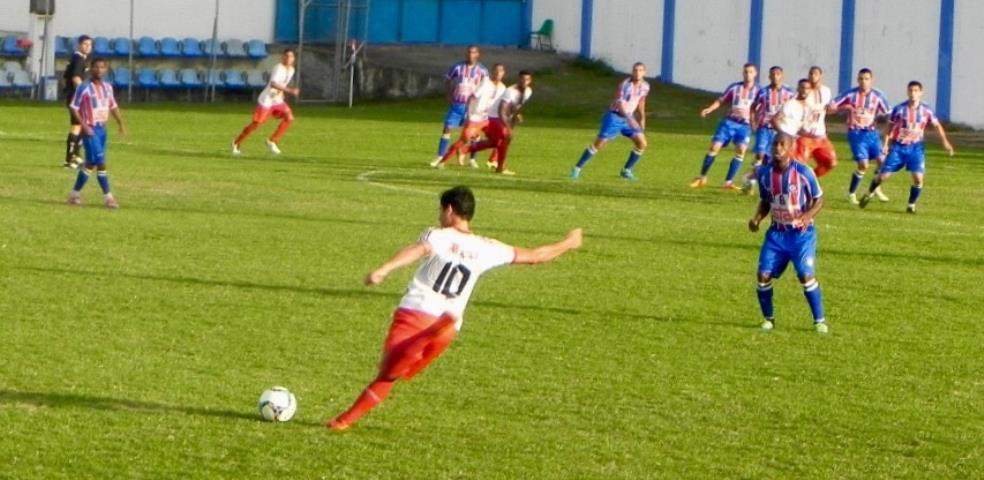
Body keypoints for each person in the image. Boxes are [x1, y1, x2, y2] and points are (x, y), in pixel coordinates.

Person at [328, 186, 583, 431]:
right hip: (449, 329)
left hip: (417, 313)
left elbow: (418, 249)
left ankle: (423, 338)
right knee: (396, 375)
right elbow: (536, 256)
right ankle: (342, 422)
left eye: (440, 211)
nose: (439, 216)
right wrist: (568, 243)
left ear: (449, 210)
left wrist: (384, 269)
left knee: (388, 369)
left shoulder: (438, 235)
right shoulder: (487, 247)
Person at [749, 133, 827, 333]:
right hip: (776, 233)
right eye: (775, 144)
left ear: (791, 148)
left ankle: (819, 321)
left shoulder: (804, 172)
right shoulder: (764, 174)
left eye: (783, 144)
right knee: (763, 275)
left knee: (805, 276)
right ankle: (768, 319)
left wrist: (808, 215)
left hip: (801, 234)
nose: (778, 148)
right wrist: (757, 218)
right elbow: (766, 201)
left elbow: (819, 199)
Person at [859, 81, 955, 214]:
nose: (913, 93)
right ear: (907, 92)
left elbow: (937, 125)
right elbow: (889, 127)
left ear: (921, 93)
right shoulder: (899, 109)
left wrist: (945, 142)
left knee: (918, 178)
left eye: (916, 91)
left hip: (916, 148)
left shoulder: (926, 110)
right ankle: (869, 193)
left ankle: (911, 205)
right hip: (898, 148)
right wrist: (886, 144)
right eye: (911, 90)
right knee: (883, 176)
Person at [570, 62, 650, 181]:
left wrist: (642, 117)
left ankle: (626, 170)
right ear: (632, 72)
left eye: (640, 70)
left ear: (644, 72)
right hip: (615, 116)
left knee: (642, 143)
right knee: (599, 144)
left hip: (629, 118)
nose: (637, 73)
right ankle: (577, 168)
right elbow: (619, 103)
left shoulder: (645, 86)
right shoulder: (625, 85)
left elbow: (641, 101)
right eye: (635, 70)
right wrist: (629, 118)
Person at [66, 58, 127, 209]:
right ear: (91, 69)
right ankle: (109, 198)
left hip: (102, 130)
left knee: (91, 163)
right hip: (90, 130)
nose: (99, 70)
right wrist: (84, 126)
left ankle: (74, 194)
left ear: (105, 70)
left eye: (102, 67)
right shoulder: (84, 87)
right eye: (96, 67)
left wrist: (120, 123)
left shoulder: (108, 87)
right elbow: (74, 107)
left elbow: (113, 105)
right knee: (101, 162)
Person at [690, 63, 761, 190]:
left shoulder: (759, 91)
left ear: (755, 74)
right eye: (746, 72)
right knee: (714, 147)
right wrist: (710, 109)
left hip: (745, 126)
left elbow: (763, 108)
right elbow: (721, 100)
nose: (748, 74)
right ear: (742, 73)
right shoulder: (735, 88)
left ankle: (728, 182)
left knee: (741, 150)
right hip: (729, 122)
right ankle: (701, 177)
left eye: (750, 72)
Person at [832, 68, 892, 204]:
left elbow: (890, 114)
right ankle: (851, 193)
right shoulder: (850, 94)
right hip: (856, 133)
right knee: (863, 164)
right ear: (857, 80)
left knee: (883, 162)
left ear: (872, 80)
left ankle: (876, 187)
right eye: (861, 79)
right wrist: (843, 108)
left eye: (866, 79)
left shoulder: (878, 96)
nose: (864, 81)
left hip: (872, 133)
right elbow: (831, 106)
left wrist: (887, 134)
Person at [431, 64, 507, 169]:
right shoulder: (485, 83)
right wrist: (469, 114)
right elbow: (472, 97)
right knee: (464, 140)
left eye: (500, 71)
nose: (498, 73)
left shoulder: (503, 88)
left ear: (504, 73)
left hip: (488, 118)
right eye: (496, 70)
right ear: (492, 71)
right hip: (476, 117)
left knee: (500, 139)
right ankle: (443, 161)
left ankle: (493, 161)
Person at [232, 49, 298, 155]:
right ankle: (236, 143)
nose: (288, 58)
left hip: (277, 100)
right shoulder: (278, 68)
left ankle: (272, 141)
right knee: (257, 123)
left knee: (289, 117)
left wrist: (281, 93)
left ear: (294, 59)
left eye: (291, 56)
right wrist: (289, 90)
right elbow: (273, 84)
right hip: (267, 99)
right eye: (286, 56)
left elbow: (283, 83)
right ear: (282, 57)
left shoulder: (291, 70)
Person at [739, 66, 794, 193]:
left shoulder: (789, 93)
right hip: (764, 128)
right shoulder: (763, 92)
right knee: (760, 154)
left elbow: (794, 108)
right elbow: (753, 106)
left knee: (773, 159)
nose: (775, 77)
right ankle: (752, 180)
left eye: (778, 74)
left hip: (780, 130)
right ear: (769, 76)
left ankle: (753, 179)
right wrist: (753, 120)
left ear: (782, 76)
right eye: (773, 74)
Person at [469, 70, 534, 175]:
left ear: (530, 81)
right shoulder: (510, 91)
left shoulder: (528, 92)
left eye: (526, 79)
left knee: (497, 142)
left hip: (505, 117)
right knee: (503, 140)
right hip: (496, 117)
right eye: (522, 79)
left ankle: (467, 150)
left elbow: (516, 106)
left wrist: (515, 117)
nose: (524, 81)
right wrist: (508, 127)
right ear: (518, 79)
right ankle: (499, 167)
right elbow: (501, 110)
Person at [432, 46, 488, 166]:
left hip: (473, 106)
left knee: (474, 133)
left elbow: (486, 87)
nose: (470, 55)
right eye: (468, 52)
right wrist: (449, 95)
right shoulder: (458, 67)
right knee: (447, 128)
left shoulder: (483, 70)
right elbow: (448, 79)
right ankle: (440, 156)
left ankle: (472, 159)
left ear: (477, 54)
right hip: (458, 104)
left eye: (473, 52)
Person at [797, 66, 838, 177]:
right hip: (805, 135)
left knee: (831, 162)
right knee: (799, 164)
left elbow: (827, 109)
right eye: (810, 73)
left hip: (820, 136)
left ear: (821, 76)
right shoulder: (803, 92)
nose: (812, 76)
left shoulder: (826, 91)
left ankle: (808, 180)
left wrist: (831, 109)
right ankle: (792, 181)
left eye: (815, 73)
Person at [63, 35, 92, 169]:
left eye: (90, 45)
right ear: (79, 45)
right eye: (85, 44)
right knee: (76, 126)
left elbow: (67, 76)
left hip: (73, 96)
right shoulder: (79, 59)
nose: (88, 47)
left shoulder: (77, 58)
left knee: (81, 125)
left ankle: (76, 155)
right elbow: (76, 78)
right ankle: (70, 159)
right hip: (76, 98)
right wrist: (84, 93)